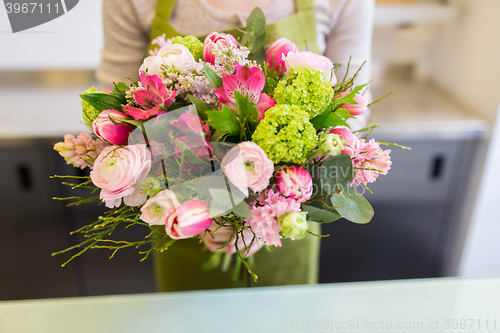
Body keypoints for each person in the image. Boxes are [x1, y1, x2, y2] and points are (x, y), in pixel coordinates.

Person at [97, 0, 375, 291]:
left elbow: (350, 114)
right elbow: (121, 110)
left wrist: (257, 216)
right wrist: (211, 208)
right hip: (180, 218)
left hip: (285, 222)